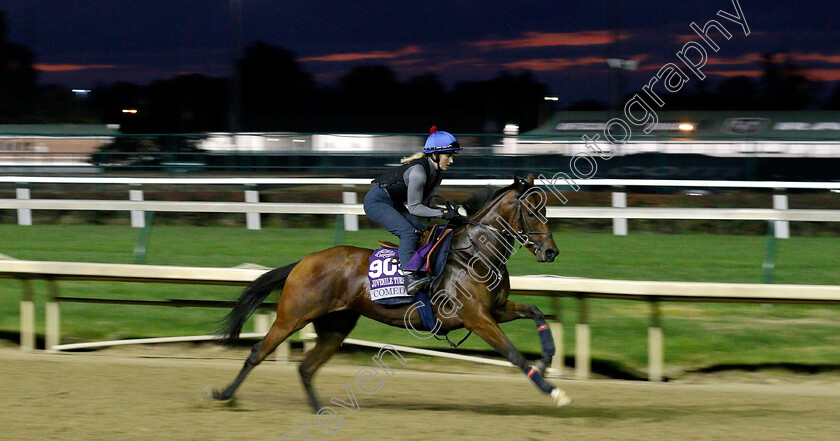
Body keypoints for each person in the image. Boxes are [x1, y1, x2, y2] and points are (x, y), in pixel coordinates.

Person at [364, 126, 465, 296]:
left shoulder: (437, 173)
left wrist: (448, 213)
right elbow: (415, 208)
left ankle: (423, 267)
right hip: (376, 201)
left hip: (393, 201)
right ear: (435, 155)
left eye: (452, 156)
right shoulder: (419, 173)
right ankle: (409, 277)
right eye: (449, 155)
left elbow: (425, 205)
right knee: (409, 233)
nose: (451, 161)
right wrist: (442, 214)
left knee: (423, 231)